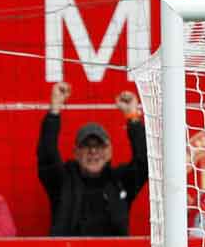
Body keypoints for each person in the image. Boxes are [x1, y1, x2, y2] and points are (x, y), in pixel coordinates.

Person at [37, 82, 148, 236]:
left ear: (109, 152)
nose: (93, 151)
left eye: (99, 146)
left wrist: (132, 116)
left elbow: (144, 161)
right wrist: (54, 110)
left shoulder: (120, 181)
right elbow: (47, 154)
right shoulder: (63, 181)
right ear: (76, 152)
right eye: (86, 146)